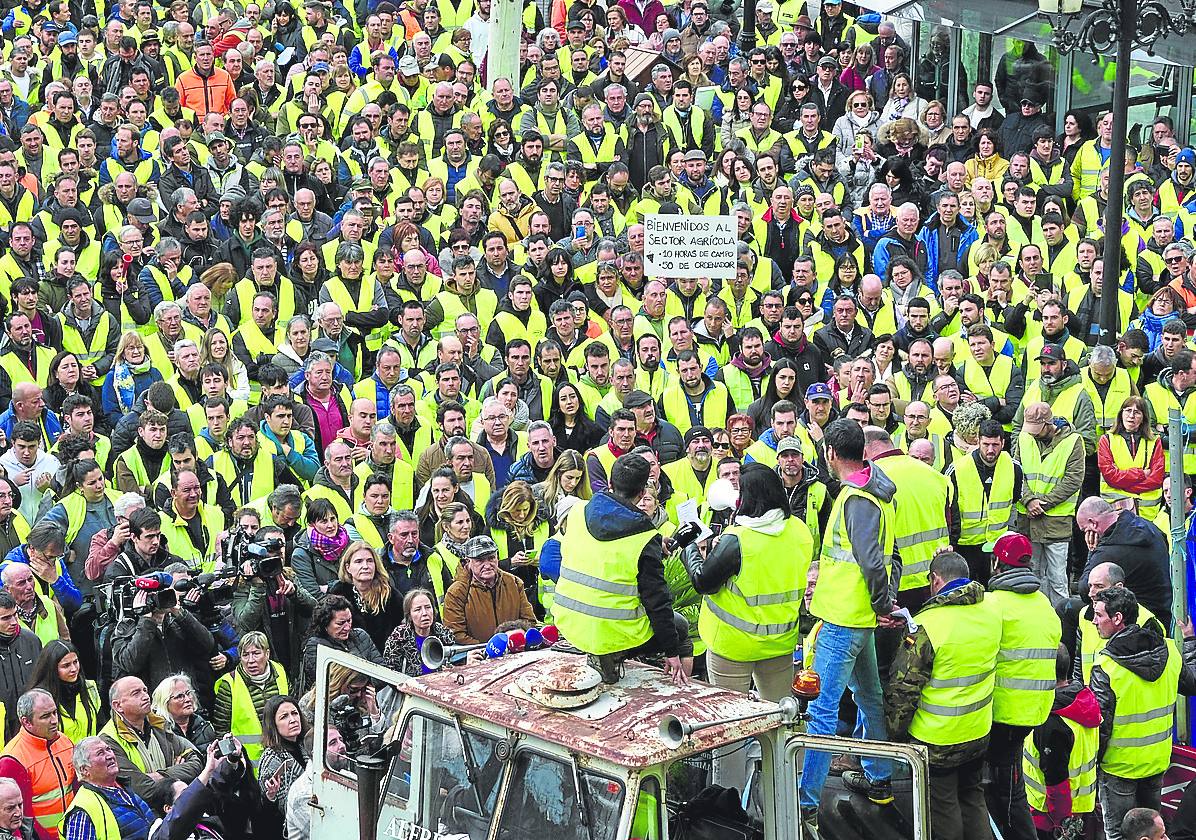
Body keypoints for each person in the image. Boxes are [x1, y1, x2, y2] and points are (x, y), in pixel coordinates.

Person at [682, 463, 813, 788]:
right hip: (779, 643)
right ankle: (786, 794)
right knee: (780, 722)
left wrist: (689, 550)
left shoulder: (737, 541)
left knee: (731, 730)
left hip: (732, 648)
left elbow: (703, 581)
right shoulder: (799, 530)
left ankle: (728, 805)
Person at [800, 420, 897, 826]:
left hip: (845, 618)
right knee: (870, 698)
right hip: (857, 618)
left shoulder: (856, 498)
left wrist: (881, 603)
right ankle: (879, 777)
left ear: (832, 455)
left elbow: (870, 561)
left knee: (822, 710)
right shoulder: (876, 490)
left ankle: (804, 802)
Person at [885, 551, 1002, 840]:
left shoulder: (928, 625)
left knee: (942, 806)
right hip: (978, 730)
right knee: (973, 798)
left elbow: (903, 688)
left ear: (935, 580)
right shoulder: (991, 613)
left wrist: (894, 733)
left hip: (937, 740)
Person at [552, 453, 691, 684]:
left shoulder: (576, 513)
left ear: (609, 484)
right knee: (680, 627)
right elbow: (657, 601)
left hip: (568, 622)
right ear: (642, 493)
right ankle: (612, 656)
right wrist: (672, 652)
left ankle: (605, 655)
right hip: (614, 633)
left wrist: (655, 545)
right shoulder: (644, 537)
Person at [1089, 587, 1196, 840]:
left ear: (1117, 619)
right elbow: (1192, 684)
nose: (1094, 621)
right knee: (1152, 834)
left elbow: (1100, 726)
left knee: (1118, 834)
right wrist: (1190, 643)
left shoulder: (1106, 665)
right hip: (1156, 762)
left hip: (1118, 768)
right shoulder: (1169, 651)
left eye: (1098, 615)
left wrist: (1093, 767)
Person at [983, 532, 1063, 840]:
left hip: (1002, 713)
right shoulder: (1043, 604)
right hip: (1034, 711)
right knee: (1012, 785)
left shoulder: (994, 605)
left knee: (1006, 792)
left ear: (997, 565)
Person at [1023, 645, 1100, 839]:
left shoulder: (1051, 721)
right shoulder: (1083, 700)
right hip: (1080, 811)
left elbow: (1056, 781)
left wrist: (1061, 823)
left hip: (1051, 820)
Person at [1013, 402, 1085, 607]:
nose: (1033, 434)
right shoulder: (1025, 436)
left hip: (1056, 521)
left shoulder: (1073, 441)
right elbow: (1017, 472)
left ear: (1049, 424)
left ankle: (1063, 625)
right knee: (1032, 574)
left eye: (1037, 430)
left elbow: (1073, 480)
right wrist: (1028, 500)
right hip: (1028, 519)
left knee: (1057, 578)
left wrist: (1041, 503)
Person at [98, 676, 204, 811]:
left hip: (174, 811)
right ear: (118, 706)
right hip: (142, 817)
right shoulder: (108, 741)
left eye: (145, 690)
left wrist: (160, 775)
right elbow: (143, 790)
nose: (145, 696)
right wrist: (178, 778)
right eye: (136, 693)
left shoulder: (158, 725)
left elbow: (197, 760)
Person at [1077, 496, 1172, 630]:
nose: (1085, 535)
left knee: (1067, 609)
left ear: (1093, 523)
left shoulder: (1109, 551)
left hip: (1140, 619)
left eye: (1084, 530)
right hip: (1165, 609)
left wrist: (1093, 550)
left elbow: (1085, 591)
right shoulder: (1149, 527)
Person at [0, 688, 76, 839]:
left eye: (55, 712)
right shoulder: (12, 760)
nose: (54, 720)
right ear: (26, 722)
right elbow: (16, 820)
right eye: (45, 716)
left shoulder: (65, 741)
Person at [441, 535, 536, 645]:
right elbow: (456, 635)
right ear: (468, 561)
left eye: (491, 558)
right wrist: (490, 650)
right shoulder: (456, 592)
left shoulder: (514, 583)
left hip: (515, 651)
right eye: (480, 560)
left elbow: (529, 623)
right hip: (478, 656)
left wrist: (513, 644)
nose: (487, 565)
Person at [212, 631, 289, 764]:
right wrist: (232, 763)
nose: (250, 661)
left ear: (267, 654)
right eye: (245, 655)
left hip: (285, 756)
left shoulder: (280, 671)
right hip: (248, 765)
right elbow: (221, 731)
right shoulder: (229, 684)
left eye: (256, 653)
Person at [62, 737, 157, 840]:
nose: (110, 756)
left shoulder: (123, 788)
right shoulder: (82, 812)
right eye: (100, 753)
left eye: (108, 749)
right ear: (84, 770)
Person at [327, 540, 402, 652]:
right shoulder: (338, 593)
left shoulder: (390, 595)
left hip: (385, 659)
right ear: (348, 567)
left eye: (370, 561)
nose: (365, 566)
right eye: (358, 561)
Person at [299, 594, 384, 694]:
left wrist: (362, 687)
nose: (347, 627)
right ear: (325, 623)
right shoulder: (315, 646)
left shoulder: (361, 636)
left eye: (349, 620)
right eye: (341, 623)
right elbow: (331, 683)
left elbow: (382, 672)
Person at [25, 640, 102, 744]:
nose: (74, 669)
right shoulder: (40, 699)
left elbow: (101, 726)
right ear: (52, 669)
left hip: (88, 757)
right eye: (66, 665)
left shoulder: (90, 688)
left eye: (75, 662)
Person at [382, 587, 463, 676]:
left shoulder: (444, 634)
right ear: (409, 615)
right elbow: (390, 673)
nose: (424, 613)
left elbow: (457, 666)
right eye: (418, 609)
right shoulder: (399, 638)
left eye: (428, 607)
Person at [0, 591, 42, 742]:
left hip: (31, 730)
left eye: (15, 615)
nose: (13, 622)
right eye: (5, 618)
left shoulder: (31, 641)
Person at [257, 695, 308, 815]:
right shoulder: (271, 759)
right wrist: (271, 796)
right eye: (284, 717)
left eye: (295, 713)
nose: (293, 719)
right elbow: (272, 810)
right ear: (273, 724)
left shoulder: (307, 746)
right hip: (290, 826)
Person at [151, 674, 215, 753]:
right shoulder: (159, 734)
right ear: (165, 703)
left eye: (188, 693)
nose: (188, 699)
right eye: (180, 696)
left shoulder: (205, 727)